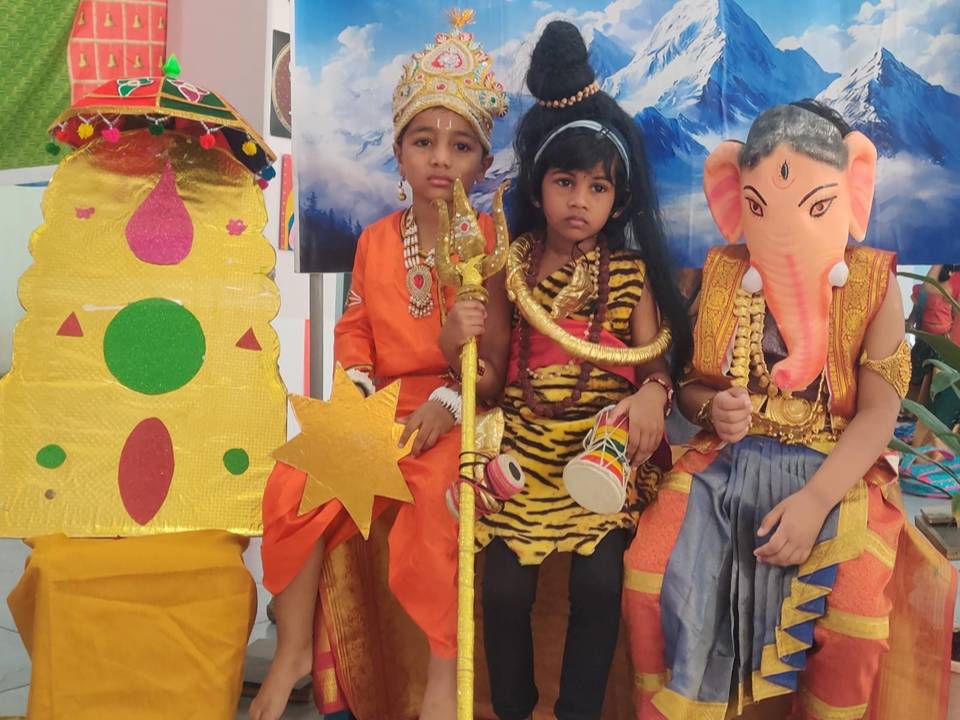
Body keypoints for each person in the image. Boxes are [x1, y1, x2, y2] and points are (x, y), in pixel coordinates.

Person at [623, 100, 956, 720]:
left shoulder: (872, 283)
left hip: (837, 466)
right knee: (649, 574)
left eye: (815, 205)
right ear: (735, 199)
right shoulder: (726, 273)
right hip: (728, 460)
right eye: (759, 208)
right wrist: (710, 409)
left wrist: (814, 501)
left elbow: (878, 414)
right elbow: (692, 387)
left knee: (855, 618)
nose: (782, 230)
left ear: (851, 191)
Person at [250, 11, 508, 720]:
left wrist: (450, 400)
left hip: (460, 411)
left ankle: (441, 680)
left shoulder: (490, 242)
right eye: (424, 141)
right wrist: (359, 391)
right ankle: (292, 651)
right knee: (294, 476)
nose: (440, 159)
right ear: (398, 153)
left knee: (439, 505)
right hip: (380, 409)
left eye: (460, 146)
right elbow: (357, 330)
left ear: (483, 165)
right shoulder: (375, 240)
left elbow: (494, 365)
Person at [441, 20, 692, 720]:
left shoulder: (631, 275)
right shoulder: (509, 269)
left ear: (619, 200)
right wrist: (455, 344)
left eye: (597, 187)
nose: (579, 200)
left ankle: (578, 711)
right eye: (564, 182)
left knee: (601, 583)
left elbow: (654, 366)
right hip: (522, 449)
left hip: (598, 451)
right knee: (502, 589)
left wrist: (653, 394)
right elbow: (490, 380)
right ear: (539, 187)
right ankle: (513, 708)